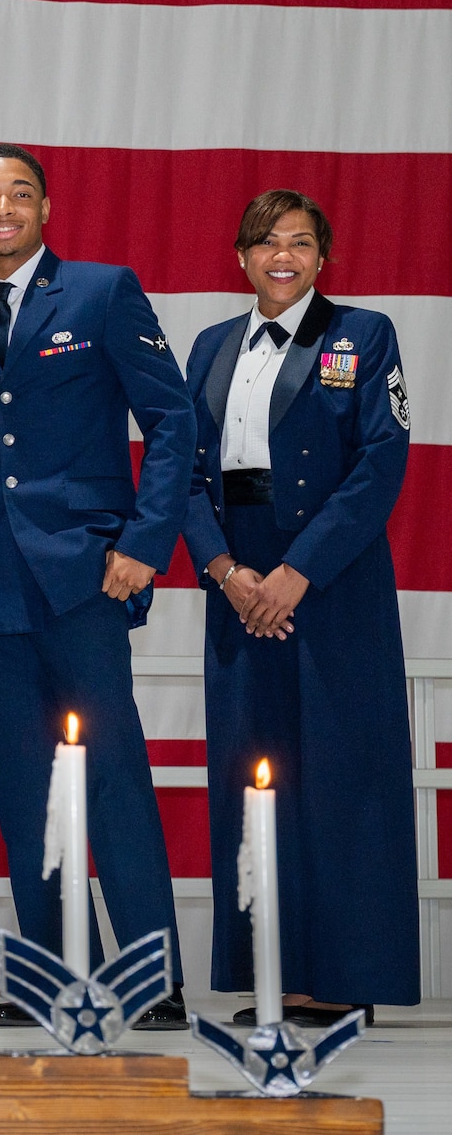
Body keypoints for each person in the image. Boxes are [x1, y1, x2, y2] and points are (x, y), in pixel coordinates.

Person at [0, 144, 192, 1027]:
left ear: (45, 207)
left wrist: (145, 545)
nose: (4, 209)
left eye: (20, 194)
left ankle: (151, 976)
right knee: (22, 781)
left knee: (112, 770)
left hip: (86, 574)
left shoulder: (103, 291)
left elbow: (172, 418)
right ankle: (48, 972)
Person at [183, 190, 417, 1026]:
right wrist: (225, 568)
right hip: (237, 579)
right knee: (254, 773)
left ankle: (345, 970)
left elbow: (380, 464)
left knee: (343, 772)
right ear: (240, 256)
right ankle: (269, 969)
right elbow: (182, 469)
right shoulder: (211, 345)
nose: (282, 255)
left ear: (325, 257)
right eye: (265, 242)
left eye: (300, 242)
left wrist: (295, 574)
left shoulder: (363, 334)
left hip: (332, 576)